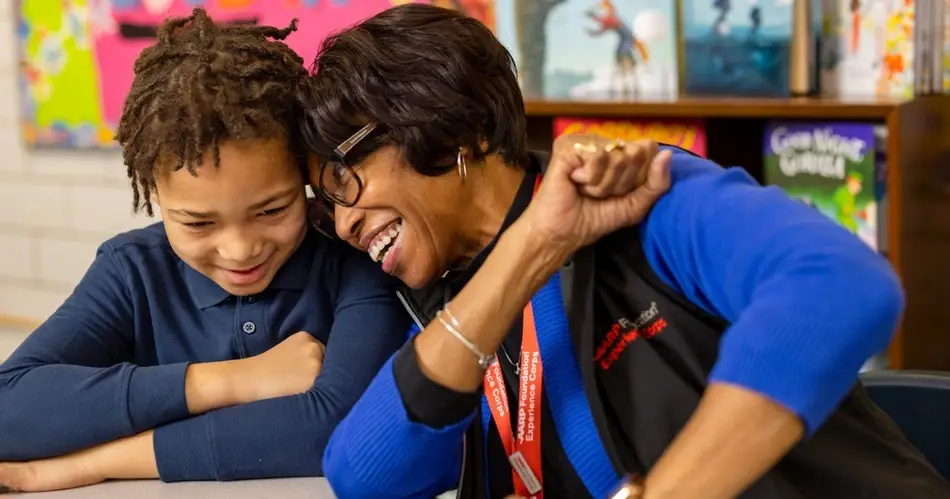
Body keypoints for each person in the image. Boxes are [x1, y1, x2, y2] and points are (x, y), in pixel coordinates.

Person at [299, 5, 950, 499]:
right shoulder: (438, 292)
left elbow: (841, 287)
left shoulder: (642, 189)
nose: (347, 221)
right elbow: (362, 474)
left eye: (348, 180)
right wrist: (532, 243)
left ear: (449, 128)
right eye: (328, 204)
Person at [0, 9, 411, 493]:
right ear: (154, 194)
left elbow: (337, 426)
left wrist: (96, 462)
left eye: (272, 210)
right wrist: (238, 380)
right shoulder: (131, 271)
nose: (239, 250)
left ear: (304, 171)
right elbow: (9, 408)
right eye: (198, 222)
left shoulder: (354, 257)